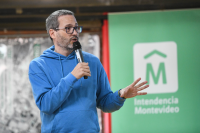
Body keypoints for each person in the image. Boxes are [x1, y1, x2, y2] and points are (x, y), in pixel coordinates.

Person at [28, 9, 149, 133]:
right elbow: (46, 105)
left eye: (76, 27)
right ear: (52, 33)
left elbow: (105, 103)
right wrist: (72, 77)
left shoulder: (92, 61)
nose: (74, 32)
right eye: (68, 28)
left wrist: (120, 95)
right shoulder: (38, 65)